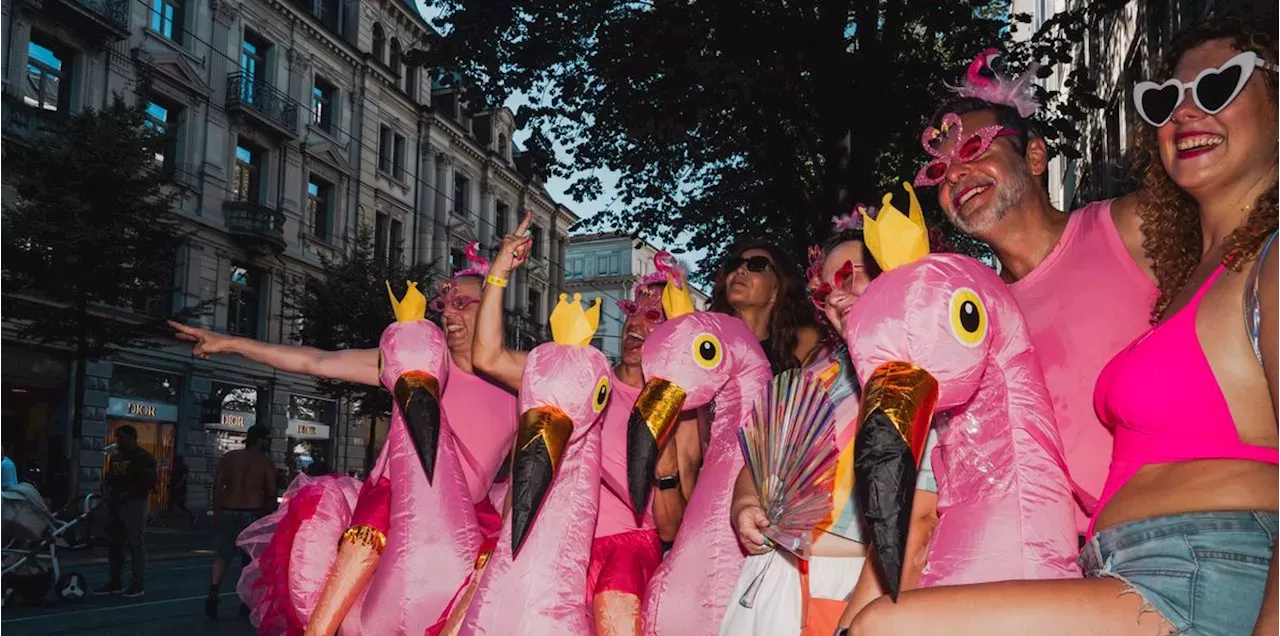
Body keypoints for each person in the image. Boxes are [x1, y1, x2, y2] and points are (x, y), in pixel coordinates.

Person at [845, 18, 1280, 635]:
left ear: (1037, 155)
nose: (957, 175)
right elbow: (944, 484)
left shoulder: (1136, 230)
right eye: (939, 172)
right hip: (1091, 568)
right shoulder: (969, 324)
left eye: (973, 150)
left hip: (1200, 553)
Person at [466, 214, 701, 634]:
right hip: (554, 543)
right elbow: (487, 357)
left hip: (624, 560)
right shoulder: (579, 377)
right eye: (635, 311)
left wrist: (661, 461)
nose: (636, 325)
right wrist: (499, 271)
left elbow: (670, 528)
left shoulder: (683, 415)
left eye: (655, 317)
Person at [724, 220, 939, 636]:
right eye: (824, 290)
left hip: (855, 591)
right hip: (771, 584)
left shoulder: (923, 372)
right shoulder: (816, 376)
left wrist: (856, 622)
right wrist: (744, 507)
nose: (836, 297)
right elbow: (756, 464)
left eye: (849, 277)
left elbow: (919, 526)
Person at [709, 240, 825, 374]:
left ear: (777, 290)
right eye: (734, 265)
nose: (740, 270)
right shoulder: (705, 341)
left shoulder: (803, 347)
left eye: (757, 265)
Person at [207, 424, 277, 619]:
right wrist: (270, 518)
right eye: (268, 439)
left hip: (228, 510)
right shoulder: (264, 463)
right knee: (250, 561)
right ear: (260, 439)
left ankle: (214, 590)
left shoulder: (230, 458)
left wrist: (217, 511)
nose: (269, 443)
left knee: (222, 555)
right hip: (253, 513)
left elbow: (218, 486)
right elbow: (271, 493)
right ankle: (246, 602)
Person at [93, 425, 157, 598]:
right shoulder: (116, 458)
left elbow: (149, 482)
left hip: (134, 503)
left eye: (121, 437)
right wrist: (106, 493)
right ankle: (115, 581)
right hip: (115, 504)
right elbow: (108, 478)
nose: (117, 441)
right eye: (117, 437)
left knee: (135, 543)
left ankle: (137, 583)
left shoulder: (144, 457)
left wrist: (127, 494)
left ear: (132, 437)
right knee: (114, 544)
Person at [167, 454, 195, 525]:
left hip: (179, 489)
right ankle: (169, 520)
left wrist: (176, 486)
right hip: (176, 488)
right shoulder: (177, 467)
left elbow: (183, 478)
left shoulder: (183, 467)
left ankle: (192, 516)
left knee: (179, 504)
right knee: (172, 503)